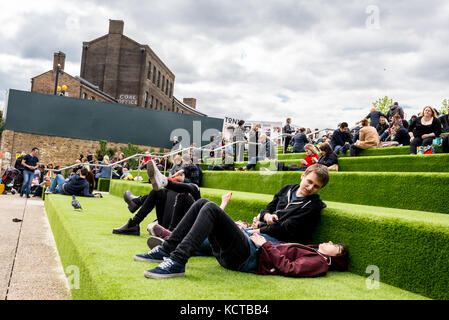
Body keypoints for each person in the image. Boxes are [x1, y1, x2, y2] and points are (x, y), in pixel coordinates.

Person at [136, 165, 341, 279]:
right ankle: (167, 250)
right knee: (204, 204)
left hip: (251, 253)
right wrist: (265, 217)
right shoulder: (287, 188)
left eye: (316, 186)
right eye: (309, 181)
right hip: (251, 242)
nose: (310, 187)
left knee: (210, 208)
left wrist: (259, 226)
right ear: (303, 175)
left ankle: (177, 262)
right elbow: (267, 210)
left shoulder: (313, 207)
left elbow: (286, 228)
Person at [113, 160, 201, 236]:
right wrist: (183, 172)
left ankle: (138, 201)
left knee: (191, 189)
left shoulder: (192, 189)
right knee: (158, 191)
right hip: (166, 224)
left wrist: (183, 181)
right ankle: (134, 223)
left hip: (178, 230)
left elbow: (195, 180)